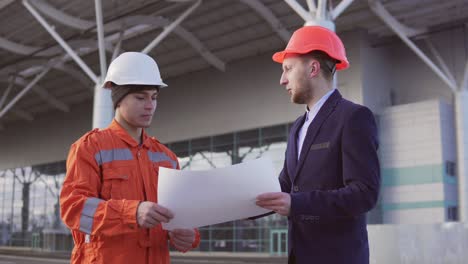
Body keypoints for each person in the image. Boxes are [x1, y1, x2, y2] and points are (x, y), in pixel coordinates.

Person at [255, 26, 380, 264]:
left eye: (288, 69)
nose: (282, 80)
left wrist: (296, 203)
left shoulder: (353, 117)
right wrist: (241, 204)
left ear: (313, 68)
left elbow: (364, 193)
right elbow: (285, 186)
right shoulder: (298, 128)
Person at [60, 52, 200, 264]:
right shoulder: (90, 147)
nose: (150, 105)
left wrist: (189, 236)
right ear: (118, 98)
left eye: (154, 97)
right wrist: (131, 213)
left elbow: (180, 215)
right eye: (140, 97)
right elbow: (73, 209)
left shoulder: (167, 158)